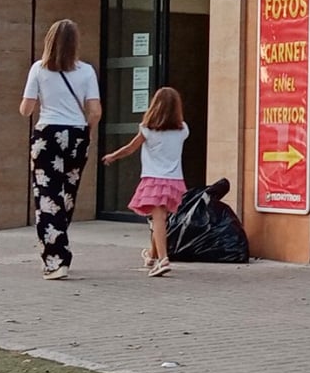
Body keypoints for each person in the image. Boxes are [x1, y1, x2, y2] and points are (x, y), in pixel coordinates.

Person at [20, 19, 102, 280]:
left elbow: (26, 109)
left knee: (47, 195)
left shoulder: (38, 69)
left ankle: (55, 258)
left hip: (48, 134)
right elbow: (96, 111)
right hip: (77, 134)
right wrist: (86, 130)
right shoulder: (87, 71)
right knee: (67, 194)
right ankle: (57, 246)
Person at [101, 87, 190, 277]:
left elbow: (130, 148)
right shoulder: (183, 130)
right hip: (174, 181)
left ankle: (163, 259)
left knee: (158, 219)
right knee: (157, 219)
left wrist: (112, 156)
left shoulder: (147, 130)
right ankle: (151, 256)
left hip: (153, 179)